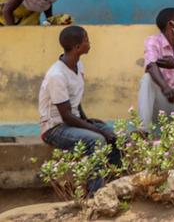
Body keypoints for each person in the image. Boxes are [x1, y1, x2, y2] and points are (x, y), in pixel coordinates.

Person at [39, 26, 121, 195]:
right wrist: (95, 129)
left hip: (72, 122)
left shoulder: (78, 66)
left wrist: (87, 120)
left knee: (116, 137)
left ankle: (112, 185)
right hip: (55, 128)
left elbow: (75, 101)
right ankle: (95, 194)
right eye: (86, 40)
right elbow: (66, 115)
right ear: (77, 47)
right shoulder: (57, 75)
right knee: (97, 140)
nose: (89, 43)